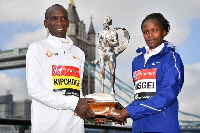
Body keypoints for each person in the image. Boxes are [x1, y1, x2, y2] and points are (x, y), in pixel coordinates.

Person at [106, 13, 184, 133]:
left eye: (154, 30)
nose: (150, 35)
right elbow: (141, 96)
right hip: (139, 129)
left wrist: (129, 112)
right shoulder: (137, 61)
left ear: (164, 32)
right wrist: (123, 111)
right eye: (146, 32)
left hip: (163, 128)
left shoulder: (171, 58)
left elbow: (168, 94)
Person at [26, 4, 95, 133]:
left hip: (76, 128)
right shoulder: (37, 48)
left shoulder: (79, 53)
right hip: (47, 128)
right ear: (46, 23)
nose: (59, 22)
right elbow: (34, 89)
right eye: (54, 19)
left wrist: (93, 111)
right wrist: (73, 104)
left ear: (68, 23)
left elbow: (76, 91)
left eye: (63, 19)